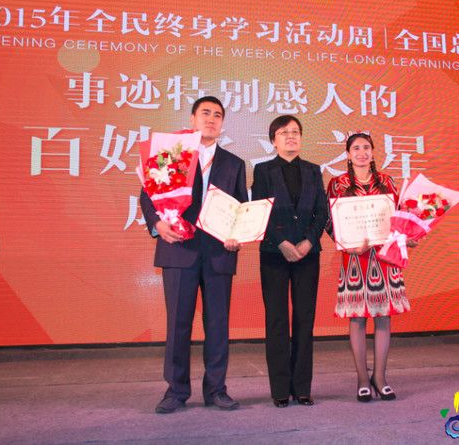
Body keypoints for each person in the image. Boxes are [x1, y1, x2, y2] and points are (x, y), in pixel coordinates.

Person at [140, 96, 247, 413]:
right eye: (205, 113)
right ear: (192, 119)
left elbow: (240, 208)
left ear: (222, 124)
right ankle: (175, 391)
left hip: (219, 253)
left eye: (218, 115)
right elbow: (148, 195)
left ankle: (216, 390)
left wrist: (238, 235)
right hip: (178, 249)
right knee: (178, 325)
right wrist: (157, 224)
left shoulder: (234, 163)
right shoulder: (171, 154)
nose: (211, 119)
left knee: (218, 325)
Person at [326, 132, 416, 402]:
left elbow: (398, 217)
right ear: (348, 154)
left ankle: (380, 377)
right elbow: (330, 222)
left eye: (366, 147)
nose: (361, 152)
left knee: (383, 316)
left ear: (373, 152)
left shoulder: (387, 181)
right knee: (357, 318)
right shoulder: (337, 184)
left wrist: (407, 237)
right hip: (355, 257)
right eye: (356, 148)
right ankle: (362, 380)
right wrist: (348, 244)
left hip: (385, 257)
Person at [251, 115, 329, 408]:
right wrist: (282, 242)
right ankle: (280, 389)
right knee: (277, 320)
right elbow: (259, 210)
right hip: (274, 253)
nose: (291, 136)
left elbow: (321, 211)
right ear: (274, 140)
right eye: (284, 132)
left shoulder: (313, 170)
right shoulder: (263, 170)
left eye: (296, 132)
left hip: (308, 254)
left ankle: (303, 388)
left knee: (304, 319)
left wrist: (308, 241)